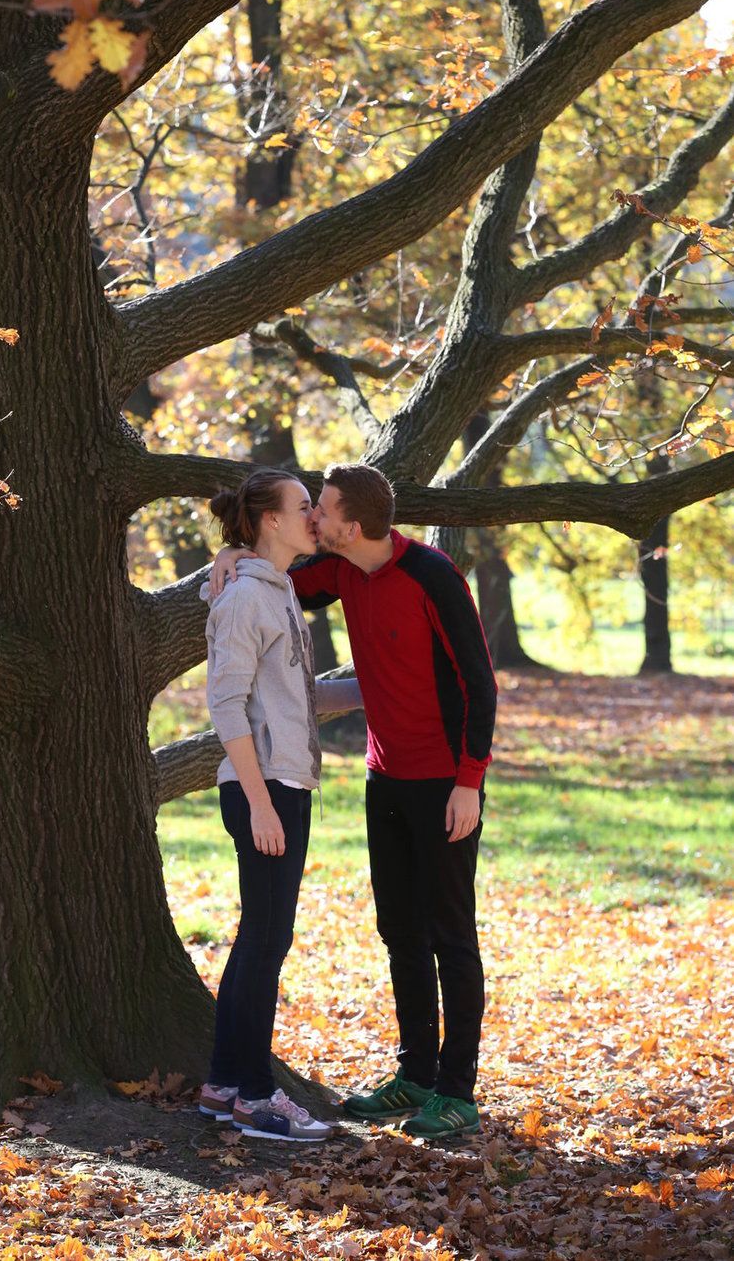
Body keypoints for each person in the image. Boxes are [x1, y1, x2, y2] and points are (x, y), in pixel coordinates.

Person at [210, 463, 497, 1140]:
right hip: (384, 779)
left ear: (353, 522)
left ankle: (456, 1090)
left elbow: (480, 682)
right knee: (400, 931)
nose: (315, 520)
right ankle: (415, 1074)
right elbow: (269, 580)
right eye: (310, 509)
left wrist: (470, 779)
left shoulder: (432, 575)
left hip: (444, 782)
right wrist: (229, 553)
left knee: (452, 936)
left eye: (325, 509)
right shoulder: (338, 571)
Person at [196, 468, 362, 1143]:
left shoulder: (277, 592)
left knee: (261, 941)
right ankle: (259, 1098)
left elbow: (297, 698)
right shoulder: (244, 600)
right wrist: (261, 804)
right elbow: (224, 703)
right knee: (266, 943)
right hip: (263, 789)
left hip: (286, 784)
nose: (313, 518)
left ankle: (224, 1084)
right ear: (268, 520)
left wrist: (370, 689)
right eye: (302, 508)